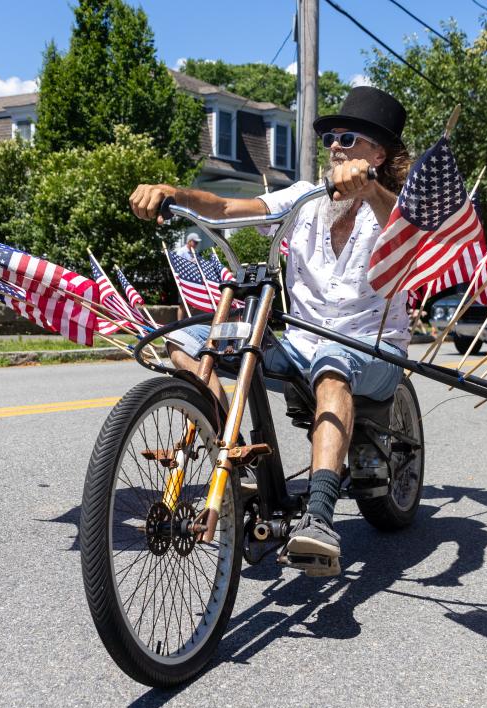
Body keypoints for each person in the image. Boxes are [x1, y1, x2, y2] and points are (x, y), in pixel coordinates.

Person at [129, 86, 412, 573]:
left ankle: (319, 519)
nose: (334, 147)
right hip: (303, 343)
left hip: (375, 347)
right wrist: (173, 193)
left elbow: (411, 239)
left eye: (347, 138)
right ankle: (232, 457)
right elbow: (222, 208)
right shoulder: (305, 198)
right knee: (189, 343)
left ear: (377, 152)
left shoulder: (399, 206)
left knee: (333, 364)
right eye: (330, 139)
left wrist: (370, 191)